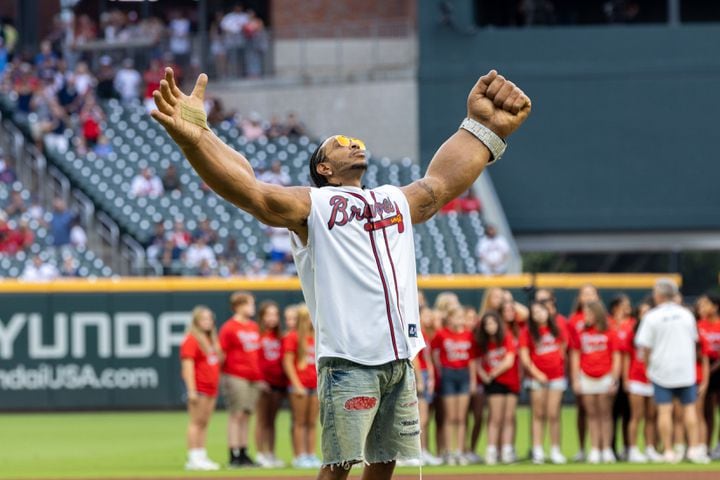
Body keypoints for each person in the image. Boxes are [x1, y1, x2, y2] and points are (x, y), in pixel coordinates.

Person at [150, 66, 531, 479]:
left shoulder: (391, 199)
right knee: (338, 466)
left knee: (384, 464)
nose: (352, 143)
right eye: (339, 144)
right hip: (348, 360)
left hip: (399, 357)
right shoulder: (314, 206)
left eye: (354, 141)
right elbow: (254, 193)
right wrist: (198, 142)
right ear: (324, 169)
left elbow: (439, 184)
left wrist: (481, 129)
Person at [635, 278, 710, 464]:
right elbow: (694, 341)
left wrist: (648, 367)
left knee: (664, 410)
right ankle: (693, 449)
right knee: (690, 409)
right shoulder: (687, 314)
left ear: (659, 295)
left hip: (662, 370)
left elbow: (645, 347)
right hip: (685, 370)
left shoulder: (652, 316)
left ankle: (668, 451)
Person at [569, 300, 620, 464]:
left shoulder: (610, 331)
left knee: (605, 414)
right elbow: (575, 356)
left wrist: (614, 378)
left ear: (597, 314)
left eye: (589, 313)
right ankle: (595, 449)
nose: (586, 317)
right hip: (586, 375)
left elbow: (617, 356)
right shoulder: (581, 332)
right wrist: (576, 378)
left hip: (605, 376)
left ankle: (606, 449)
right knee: (591, 415)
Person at [519, 301, 567, 464]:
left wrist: (558, 365)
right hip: (536, 378)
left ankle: (555, 450)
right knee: (538, 414)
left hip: (556, 377)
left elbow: (563, 348)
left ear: (548, 312)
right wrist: (537, 373)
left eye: (541, 311)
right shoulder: (527, 332)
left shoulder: (556, 328)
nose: (538, 314)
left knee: (553, 414)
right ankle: (538, 450)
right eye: (534, 312)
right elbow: (525, 357)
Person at [219, 292, 262, 467]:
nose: (252, 307)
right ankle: (233, 454)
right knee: (236, 414)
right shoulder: (229, 327)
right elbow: (221, 352)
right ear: (239, 306)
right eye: (249, 304)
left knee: (246, 414)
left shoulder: (253, 326)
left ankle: (244, 452)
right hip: (235, 374)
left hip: (253, 376)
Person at [431, 306, 476, 465]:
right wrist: (439, 371)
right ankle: (448, 452)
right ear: (449, 319)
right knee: (450, 417)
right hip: (448, 374)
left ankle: (460, 451)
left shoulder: (468, 335)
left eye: (461, 317)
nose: (459, 320)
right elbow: (434, 354)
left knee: (461, 417)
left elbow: (471, 359)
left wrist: (473, 380)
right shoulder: (442, 334)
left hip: (463, 374)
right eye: (456, 317)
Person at [474, 310, 519, 465]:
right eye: (486, 324)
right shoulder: (482, 342)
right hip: (494, 384)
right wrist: (485, 375)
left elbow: (509, 361)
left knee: (508, 418)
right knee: (495, 417)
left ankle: (506, 451)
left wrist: (491, 373)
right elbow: (477, 361)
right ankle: (491, 451)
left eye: (492, 323)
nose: (490, 326)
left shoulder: (506, 337)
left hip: (510, 380)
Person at [180, 306, 222, 471]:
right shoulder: (191, 339)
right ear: (196, 321)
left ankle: (201, 454)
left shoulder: (210, 339)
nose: (208, 322)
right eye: (204, 319)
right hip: (199, 387)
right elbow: (187, 367)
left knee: (204, 422)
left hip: (211, 387)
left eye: (210, 319)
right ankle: (193, 457)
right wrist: (191, 390)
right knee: (196, 422)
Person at [621, 298, 661, 463]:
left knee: (651, 416)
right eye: (642, 312)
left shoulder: (658, 331)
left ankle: (650, 448)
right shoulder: (632, 333)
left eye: (648, 312)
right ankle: (633, 449)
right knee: (636, 416)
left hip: (653, 378)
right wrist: (625, 379)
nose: (645, 315)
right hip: (636, 378)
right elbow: (626, 358)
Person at [283, 305, 322, 468]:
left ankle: (311, 454)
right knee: (299, 421)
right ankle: (299, 456)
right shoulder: (292, 337)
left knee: (311, 422)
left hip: (315, 385)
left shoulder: (317, 337)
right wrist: (296, 384)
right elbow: (287, 363)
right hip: (299, 386)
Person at [255, 301, 287, 468]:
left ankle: (271, 453)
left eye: (275, 314)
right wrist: (259, 379)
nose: (272, 318)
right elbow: (253, 359)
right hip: (263, 383)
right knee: (262, 419)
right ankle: (260, 454)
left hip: (278, 382)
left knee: (272, 421)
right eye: (268, 314)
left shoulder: (279, 336)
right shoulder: (257, 334)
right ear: (262, 317)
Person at [608, 294, 633, 460]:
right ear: (616, 307)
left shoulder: (632, 324)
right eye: (624, 304)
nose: (628, 307)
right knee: (611, 415)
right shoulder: (608, 324)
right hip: (610, 376)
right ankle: (610, 447)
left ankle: (628, 447)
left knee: (628, 415)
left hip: (630, 376)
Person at [696, 293, 720, 458]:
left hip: (717, 369)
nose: (702, 308)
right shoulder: (698, 325)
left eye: (705, 305)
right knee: (706, 411)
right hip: (704, 370)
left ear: (715, 307)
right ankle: (706, 446)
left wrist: (712, 369)